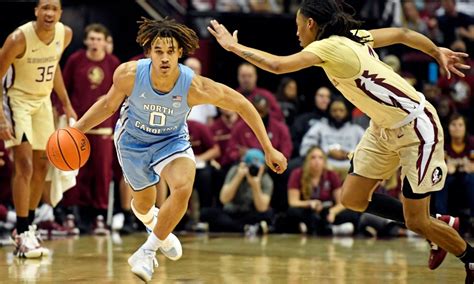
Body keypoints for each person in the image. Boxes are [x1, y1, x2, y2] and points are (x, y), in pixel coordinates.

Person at [208, 0, 474, 280]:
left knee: (416, 221)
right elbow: (403, 34)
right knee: (353, 198)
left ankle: (469, 258)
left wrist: (234, 48)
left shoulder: (327, 47)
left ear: (311, 24)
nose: (297, 34)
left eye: (298, 27)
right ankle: (439, 224)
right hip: (383, 127)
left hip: (416, 128)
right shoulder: (353, 37)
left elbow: (277, 65)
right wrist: (435, 51)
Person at [72, 17, 287, 282]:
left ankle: (147, 251)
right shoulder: (128, 75)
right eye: (159, 51)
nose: (164, 58)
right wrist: (77, 129)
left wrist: (268, 148)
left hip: (171, 140)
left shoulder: (193, 85)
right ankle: (154, 222)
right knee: (142, 205)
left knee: (184, 186)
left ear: (180, 53)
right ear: (149, 51)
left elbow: (242, 104)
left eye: (170, 51)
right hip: (132, 142)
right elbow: (107, 105)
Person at [0, 0, 76, 258]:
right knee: (25, 165)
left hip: (42, 102)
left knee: (42, 165)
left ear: (61, 13)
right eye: (44, 7)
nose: (49, 13)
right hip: (17, 101)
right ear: (35, 10)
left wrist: (66, 104)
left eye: (54, 8)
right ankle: (21, 232)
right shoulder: (18, 38)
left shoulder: (64, 34)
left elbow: (54, 68)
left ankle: (28, 227)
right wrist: (0, 117)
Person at [60, 23, 120, 235]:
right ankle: (70, 215)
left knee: (102, 174)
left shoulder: (113, 64)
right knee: (74, 172)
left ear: (105, 42)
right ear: (86, 41)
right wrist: (63, 113)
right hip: (78, 126)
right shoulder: (76, 60)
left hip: (104, 128)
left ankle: (99, 217)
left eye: (99, 39)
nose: (95, 42)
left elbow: (122, 97)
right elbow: (63, 89)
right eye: (91, 38)